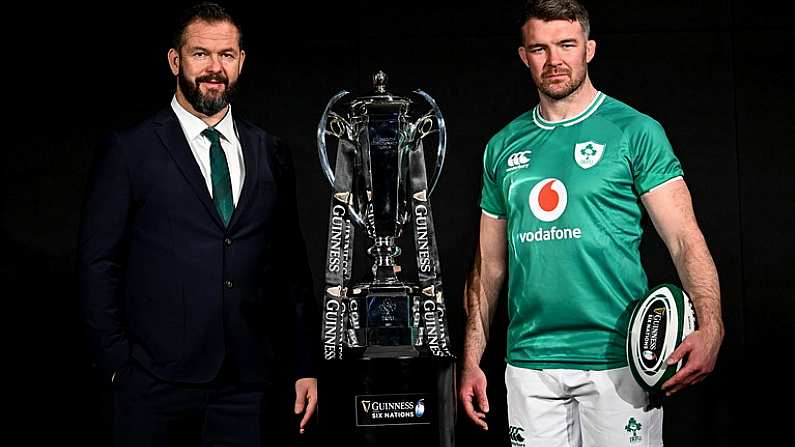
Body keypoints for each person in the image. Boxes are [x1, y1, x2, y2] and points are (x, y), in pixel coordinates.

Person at [458, 1, 724, 445]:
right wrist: (471, 360)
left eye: (566, 45)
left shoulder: (634, 131)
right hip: (529, 364)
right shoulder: (502, 147)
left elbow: (683, 239)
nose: (554, 60)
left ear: (589, 49)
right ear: (524, 57)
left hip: (620, 357)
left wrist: (712, 327)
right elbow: (488, 267)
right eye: (539, 49)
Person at [78, 3, 318, 445]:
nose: (215, 68)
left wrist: (305, 364)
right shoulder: (131, 151)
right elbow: (98, 264)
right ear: (175, 61)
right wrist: (117, 365)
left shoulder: (271, 151)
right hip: (154, 387)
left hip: (249, 387)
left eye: (226, 55)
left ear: (241, 61)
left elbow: (291, 269)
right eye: (201, 54)